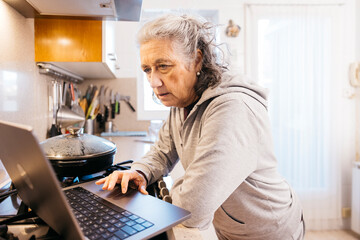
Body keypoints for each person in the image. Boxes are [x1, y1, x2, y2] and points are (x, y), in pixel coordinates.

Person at [96, 14, 305, 240]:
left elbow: (194, 206)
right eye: (147, 69)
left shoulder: (233, 108)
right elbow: (162, 152)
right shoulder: (182, 99)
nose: (154, 82)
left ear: (196, 60)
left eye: (163, 66)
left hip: (268, 229)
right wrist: (140, 171)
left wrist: (175, 192)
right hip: (232, 226)